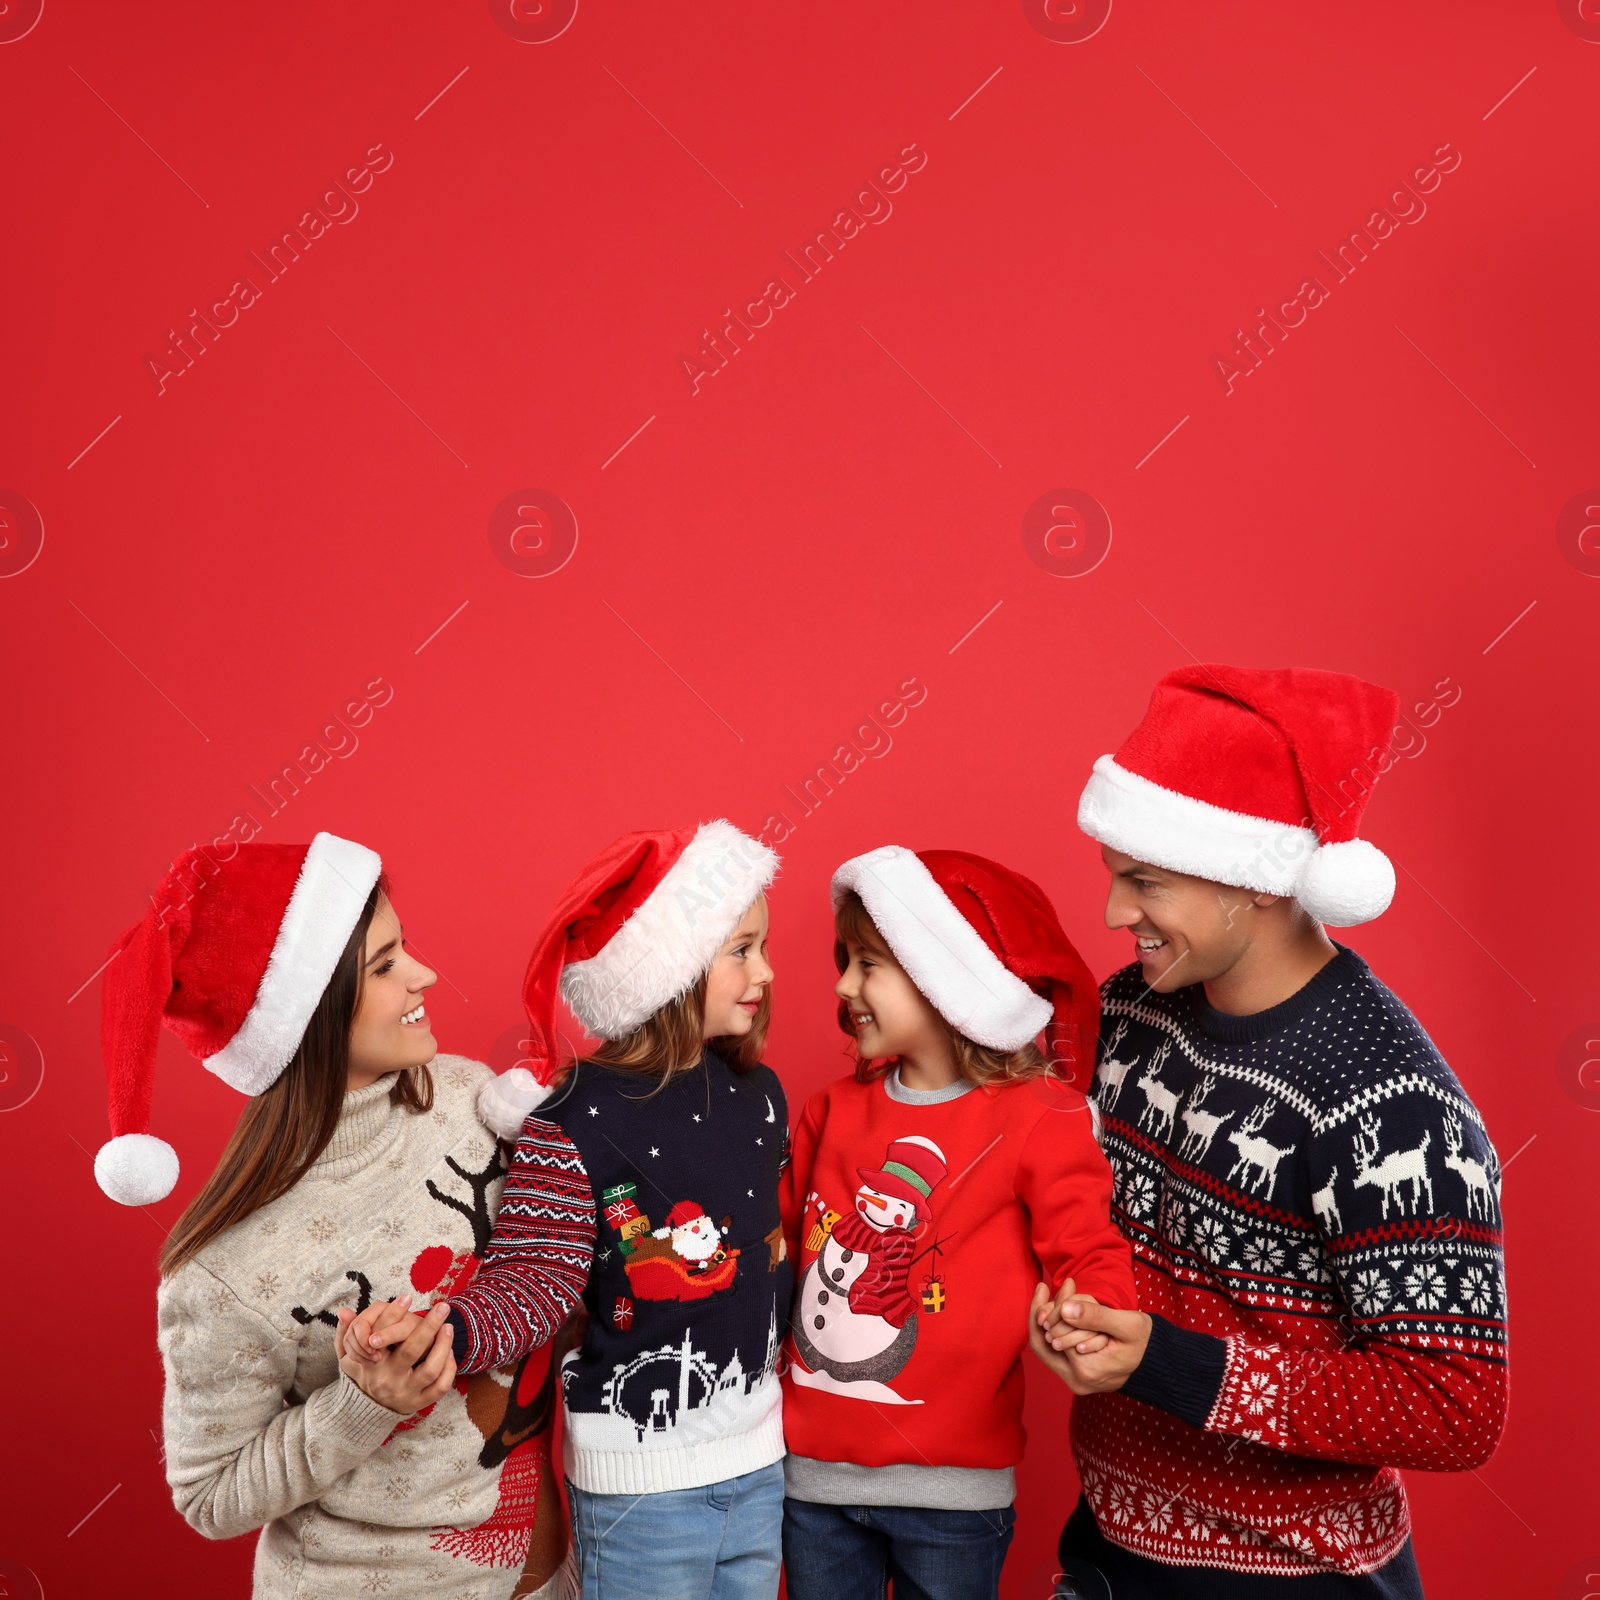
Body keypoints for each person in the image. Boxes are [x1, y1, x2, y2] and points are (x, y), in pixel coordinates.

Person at [1031, 665, 1508, 1599]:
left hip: (1292, 1581)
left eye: (1145, 882)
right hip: (1107, 1557)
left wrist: (1163, 1361)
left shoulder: (1391, 1102)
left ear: (1251, 880)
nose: (1114, 912)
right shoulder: (1132, 1013)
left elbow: (1455, 1407)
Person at [94, 832, 567, 1599]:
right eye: (384, 966)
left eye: (403, 945)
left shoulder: (470, 1098)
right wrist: (361, 1406)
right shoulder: (225, 1270)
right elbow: (209, 1498)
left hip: (544, 1566)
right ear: (307, 1011)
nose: (425, 973)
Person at [345, 820, 791, 1600]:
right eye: (742, 950)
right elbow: (534, 1278)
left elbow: (771, 1251)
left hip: (761, 1467)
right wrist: (445, 1331)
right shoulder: (572, 1121)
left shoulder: (760, 1097)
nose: (767, 971)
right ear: (672, 972)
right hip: (640, 1492)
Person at [778, 846, 1136, 1600]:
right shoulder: (830, 1111)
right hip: (810, 1480)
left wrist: (1092, 1315)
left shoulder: (1041, 1117)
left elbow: (1086, 1246)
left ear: (943, 977)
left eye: (869, 962)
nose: (843, 985)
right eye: (846, 959)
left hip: (952, 1494)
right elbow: (777, 1257)